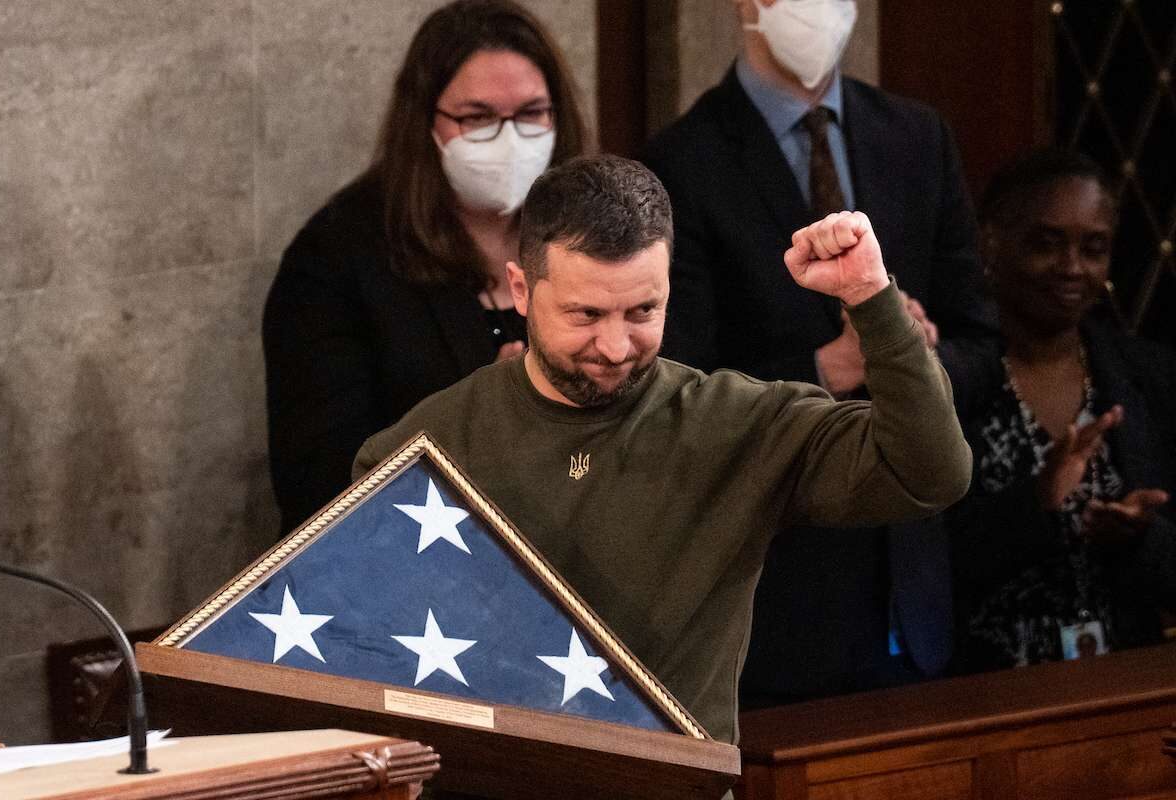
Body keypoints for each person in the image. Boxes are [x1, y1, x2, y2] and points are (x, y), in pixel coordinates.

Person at [353, 154, 972, 744]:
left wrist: (871, 297)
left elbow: (929, 472)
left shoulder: (736, 422)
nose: (616, 346)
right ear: (521, 289)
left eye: (643, 310)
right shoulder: (418, 450)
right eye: (586, 314)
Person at [642, 0, 1000, 703]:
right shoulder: (682, 160)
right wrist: (824, 369)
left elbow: (984, 346)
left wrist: (917, 359)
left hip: (919, 581)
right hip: (779, 589)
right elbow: (674, 386)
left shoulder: (915, 136)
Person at [263, 0, 588, 535]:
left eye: (531, 113)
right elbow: (317, 483)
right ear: (425, 123)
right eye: (478, 117)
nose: (509, 139)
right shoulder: (336, 260)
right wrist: (487, 418)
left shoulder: (593, 231)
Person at [949, 148, 1176, 672]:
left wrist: (1141, 536)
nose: (1072, 268)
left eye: (1093, 248)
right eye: (1046, 244)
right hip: (980, 699)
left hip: (1125, 687)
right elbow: (923, 571)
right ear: (992, 242)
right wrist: (1036, 504)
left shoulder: (1147, 377)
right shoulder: (950, 380)